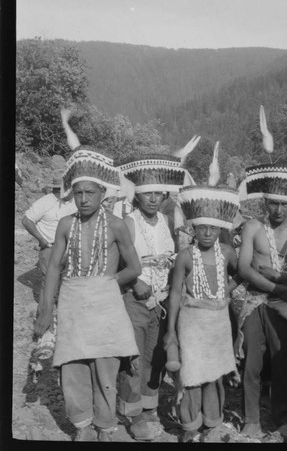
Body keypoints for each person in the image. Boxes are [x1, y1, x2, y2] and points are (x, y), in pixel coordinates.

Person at [34, 144, 142, 442]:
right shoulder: (66, 225)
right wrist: (45, 310)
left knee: (106, 368)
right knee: (72, 366)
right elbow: (54, 267)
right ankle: (82, 426)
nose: (83, 199)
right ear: (72, 193)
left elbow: (134, 268)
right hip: (72, 304)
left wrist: (106, 284)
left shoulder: (117, 226)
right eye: (78, 193)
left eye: (89, 193)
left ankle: (106, 427)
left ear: (102, 194)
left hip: (105, 305)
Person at [115, 152, 194, 441]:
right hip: (135, 300)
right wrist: (135, 281)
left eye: (157, 194)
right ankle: (132, 416)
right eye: (146, 193)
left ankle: (149, 409)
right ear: (137, 195)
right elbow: (119, 263)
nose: (152, 199)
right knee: (133, 360)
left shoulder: (166, 220)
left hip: (160, 301)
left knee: (155, 358)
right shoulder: (128, 222)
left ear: (164, 195)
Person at [236, 164, 287, 437]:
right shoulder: (253, 226)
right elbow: (244, 268)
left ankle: (283, 415)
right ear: (264, 202)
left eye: (284, 204)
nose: (279, 210)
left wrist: (281, 280)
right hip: (256, 301)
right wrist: (274, 286)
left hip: (283, 305)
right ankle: (251, 418)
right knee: (252, 363)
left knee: (285, 362)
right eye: (273, 203)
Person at [164, 178, 241, 442]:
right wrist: (171, 330)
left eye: (213, 228)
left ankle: (212, 423)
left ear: (220, 230)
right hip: (192, 322)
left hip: (218, 322)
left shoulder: (228, 253)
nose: (207, 233)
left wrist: (224, 292)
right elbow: (175, 293)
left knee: (215, 374)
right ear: (194, 229)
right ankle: (189, 427)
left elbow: (241, 275)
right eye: (202, 228)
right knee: (192, 374)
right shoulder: (186, 256)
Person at [22, 174, 77, 312]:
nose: (72, 192)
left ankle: (60, 313)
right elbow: (27, 220)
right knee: (48, 284)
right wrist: (41, 240)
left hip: (70, 248)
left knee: (67, 281)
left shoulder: (72, 201)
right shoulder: (44, 202)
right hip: (50, 248)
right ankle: (44, 317)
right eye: (70, 188)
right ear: (62, 189)